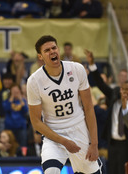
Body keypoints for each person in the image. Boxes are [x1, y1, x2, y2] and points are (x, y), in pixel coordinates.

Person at [27, 35, 101, 173]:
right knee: (51, 171)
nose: (52, 52)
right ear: (40, 56)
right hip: (54, 133)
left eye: (54, 48)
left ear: (58, 49)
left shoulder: (77, 69)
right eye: (47, 50)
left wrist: (94, 143)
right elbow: (36, 122)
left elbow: (89, 108)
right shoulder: (34, 81)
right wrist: (64, 141)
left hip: (79, 129)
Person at [84, 49, 128, 174]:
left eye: (126, 90)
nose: (122, 92)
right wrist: (92, 64)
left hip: (127, 145)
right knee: (112, 171)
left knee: (123, 171)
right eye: (121, 89)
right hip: (112, 144)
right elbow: (100, 84)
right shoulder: (114, 94)